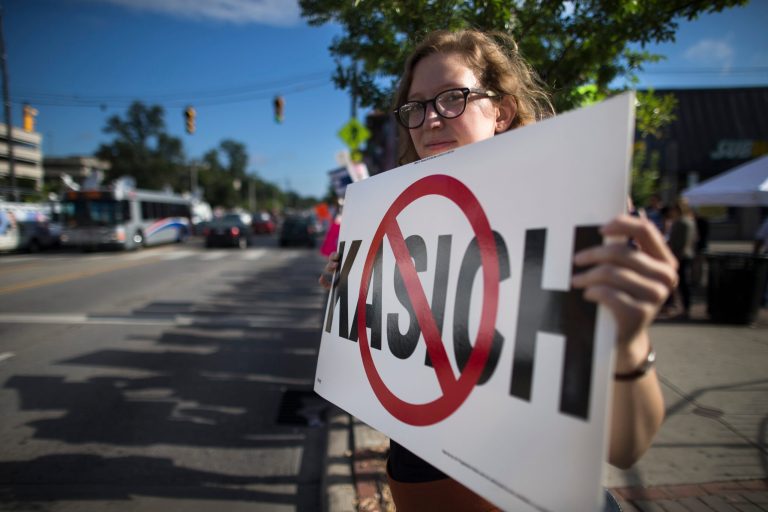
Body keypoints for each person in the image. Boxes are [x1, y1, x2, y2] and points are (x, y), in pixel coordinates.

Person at [319, 29, 676, 511]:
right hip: (422, 490)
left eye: (452, 98)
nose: (430, 120)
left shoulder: (565, 207)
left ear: (502, 112)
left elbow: (624, 447)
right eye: (416, 107)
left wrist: (629, 339)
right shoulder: (399, 225)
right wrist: (357, 293)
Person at [666, 198, 698, 319]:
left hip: (680, 256)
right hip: (685, 255)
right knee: (682, 283)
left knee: (682, 283)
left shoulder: (682, 222)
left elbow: (681, 242)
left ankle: (684, 309)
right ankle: (683, 308)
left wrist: (675, 256)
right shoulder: (689, 221)